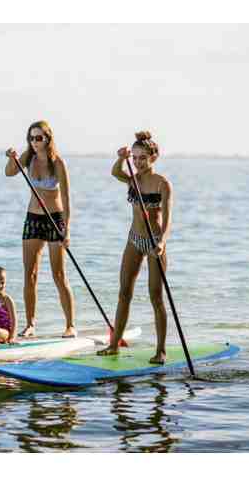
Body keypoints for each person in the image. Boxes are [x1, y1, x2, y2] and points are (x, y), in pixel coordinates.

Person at [98, 131, 173, 364]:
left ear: (154, 157)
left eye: (142, 158)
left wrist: (161, 242)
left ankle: (160, 351)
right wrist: (121, 158)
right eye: (135, 158)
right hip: (134, 239)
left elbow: (168, 219)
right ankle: (113, 346)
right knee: (124, 293)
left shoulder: (162, 183)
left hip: (154, 243)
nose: (138, 162)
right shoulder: (132, 178)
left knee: (156, 297)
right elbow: (114, 172)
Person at [5, 120, 76, 338]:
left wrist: (67, 231)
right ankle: (30, 324)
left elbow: (65, 198)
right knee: (30, 274)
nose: (34, 142)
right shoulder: (28, 158)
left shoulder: (58, 163)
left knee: (59, 274)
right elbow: (9, 173)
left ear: (48, 138)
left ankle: (70, 325)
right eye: (31, 138)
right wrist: (12, 158)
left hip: (55, 219)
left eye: (38, 138)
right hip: (33, 219)